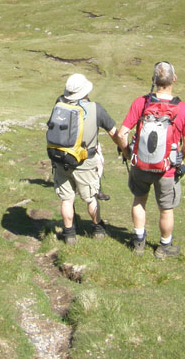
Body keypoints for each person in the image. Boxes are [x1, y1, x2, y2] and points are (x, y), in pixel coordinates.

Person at [116, 61, 185, 258]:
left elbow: (121, 133)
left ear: (153, 80)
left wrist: (128, 154)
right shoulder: (183, 109)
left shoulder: (141, 103)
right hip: (167, 168)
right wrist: (178, 160)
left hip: (140, 165)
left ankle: (139, 241)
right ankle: (164, 247)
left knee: (139, 200)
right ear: (173, 79)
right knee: (166, 209)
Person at [50, 73, 124, 245]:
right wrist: (123, 149)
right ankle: (98, 229)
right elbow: (113, 132)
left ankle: (69, 235)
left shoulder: (59, 104)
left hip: (61, 160)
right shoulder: (95, 108)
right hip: (85, 162)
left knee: (67, 199)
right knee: (91, 197)